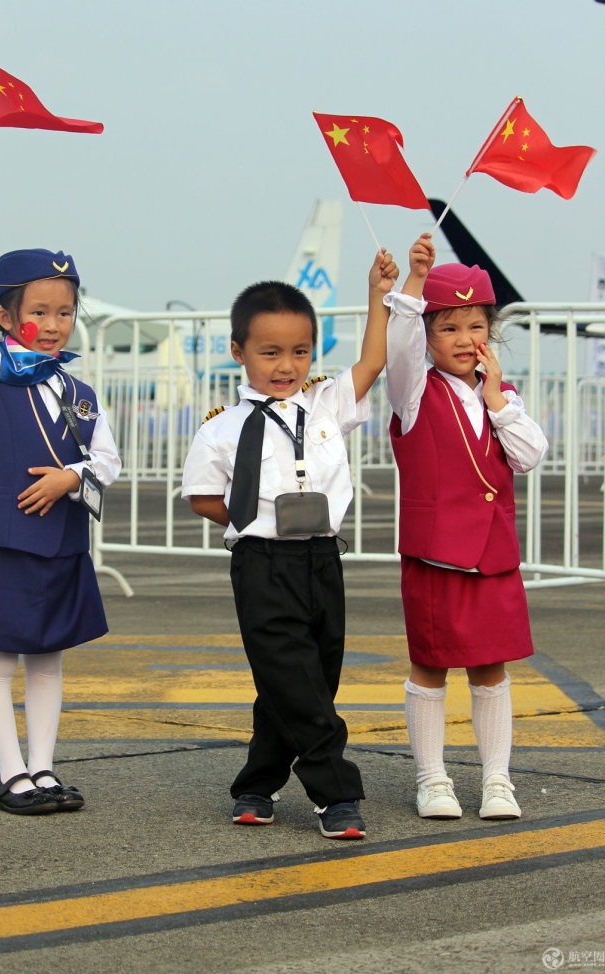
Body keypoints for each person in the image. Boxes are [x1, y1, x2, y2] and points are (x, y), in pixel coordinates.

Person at [181, 249, 399, 839]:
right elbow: (203, 498)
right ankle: (336, 792)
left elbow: (374, 360)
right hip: (262, 562)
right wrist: (254, 519)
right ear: (239, 352)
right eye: (270, 352)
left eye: (299, 352)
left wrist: (379, 294)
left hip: (322, 558)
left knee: (311, 677)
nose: (286, 365)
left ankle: (257, 783)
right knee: (294, 678)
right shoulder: (221, 427)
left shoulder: (326, 403)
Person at [0, 224, 121, 815]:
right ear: (4, 315)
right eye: (39, 311)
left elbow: (108, 462)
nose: (53, 325)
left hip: (65, 541)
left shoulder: (82, 392)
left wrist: (71, 477)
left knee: (49, 657)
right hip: (7, 541)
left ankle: (43, 767)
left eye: (65, 311)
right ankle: (10, 773)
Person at [384, 233, 548, 821]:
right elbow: (397, 347)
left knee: (490, 666)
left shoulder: (503, 398)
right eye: (447, 327)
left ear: (490, 334)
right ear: (428, 336)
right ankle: (433, 778)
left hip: (494, 552)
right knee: (430, 664)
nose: (464, 340)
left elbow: (529, 455)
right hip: (435, 553)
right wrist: (412, 282)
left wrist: (500, 398)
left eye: (475, 326)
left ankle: (497, 781)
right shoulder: (411, 391)